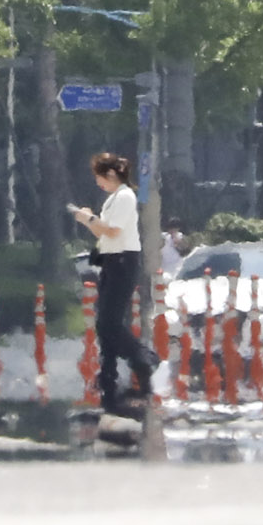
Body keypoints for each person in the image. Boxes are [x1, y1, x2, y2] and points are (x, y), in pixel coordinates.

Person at [71, 153, 171, 413]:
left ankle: (144, 359)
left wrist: (89, 219)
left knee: (110, 322)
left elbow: (113, 231)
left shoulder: (125, 197)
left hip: (123, 262)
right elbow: (104, 232)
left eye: (100, 177)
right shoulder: (113, 200)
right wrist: (90, 219)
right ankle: (109, 375)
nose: (98, 183)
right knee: (104, 324)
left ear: (112, 175)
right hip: (110, 261)